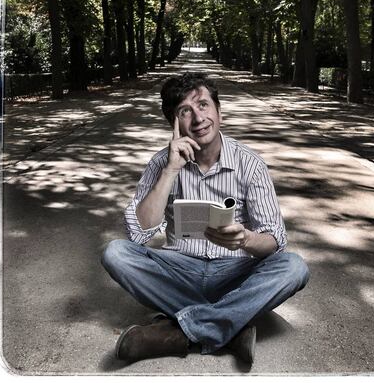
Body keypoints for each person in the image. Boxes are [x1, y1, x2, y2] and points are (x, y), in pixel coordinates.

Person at [102, 72, 309, 367]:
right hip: (179, 270)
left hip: (234, 272)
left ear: (218, 111)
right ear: (174, 124)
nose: (197, 118)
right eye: (185, 111)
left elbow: (275, 241)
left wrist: (246, 239)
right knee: (115, 253)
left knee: (294, 267)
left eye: (203, 105)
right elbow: (139, 233)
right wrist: (172, 170)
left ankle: (181, 332)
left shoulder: (250, 164)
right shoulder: (162, 163)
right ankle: (232, 325)